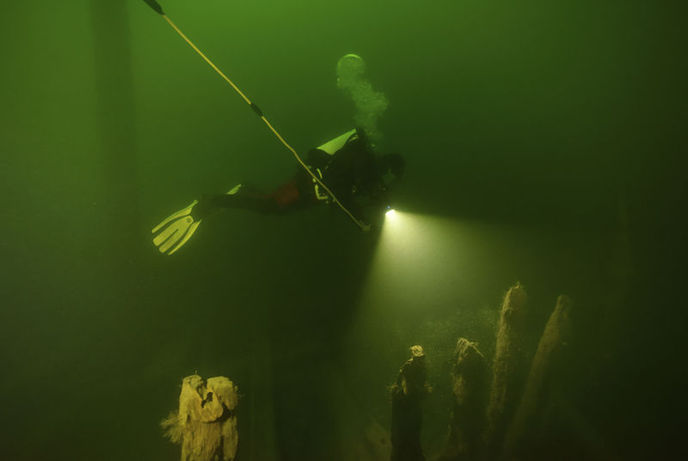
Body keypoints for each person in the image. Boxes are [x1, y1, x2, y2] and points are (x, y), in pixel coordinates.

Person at [151, 127, 404, 255]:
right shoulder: (362, 161)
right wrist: (360, 218)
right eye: (390, 176)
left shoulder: (369, 174)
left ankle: (246, 190)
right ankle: (208, 202)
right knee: (270, 206)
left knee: (273, 208)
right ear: (387, 167)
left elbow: (347, 193)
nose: (387, 183)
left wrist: (368, 211)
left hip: (313, 195)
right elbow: (341, 189)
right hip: (309, 183)